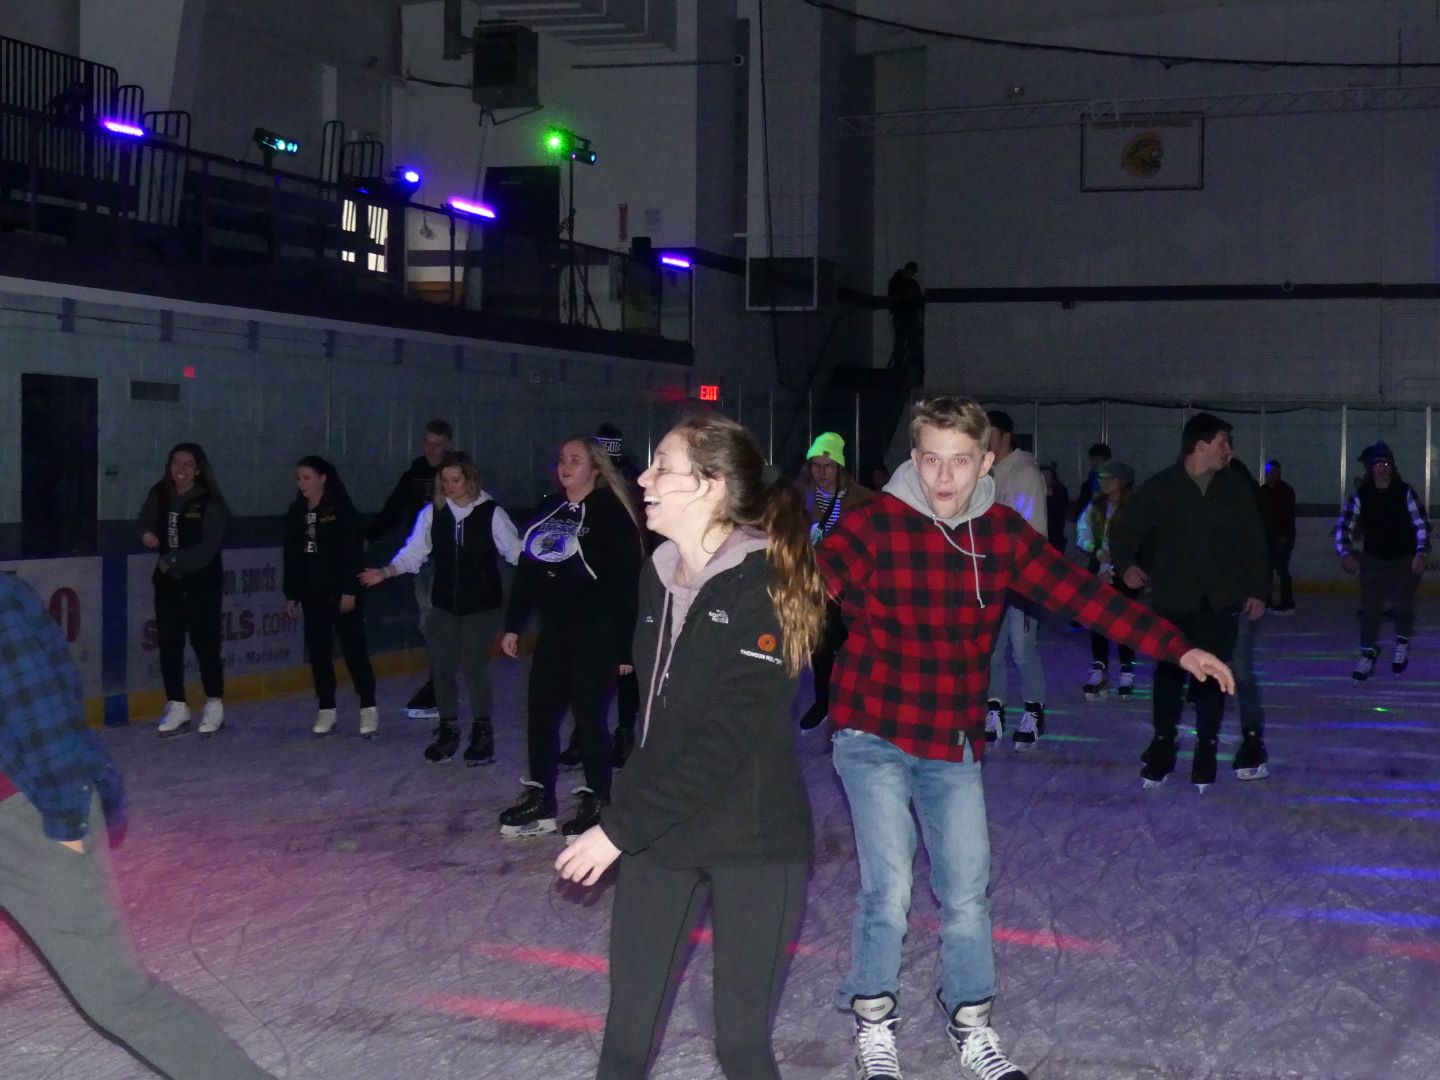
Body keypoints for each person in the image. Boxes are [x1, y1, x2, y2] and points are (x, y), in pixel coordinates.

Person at [816, 396, 1234, 1080]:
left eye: (959, 462)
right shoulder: (876, 525)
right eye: (929, 460)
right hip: (873, 728)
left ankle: (972, 1022)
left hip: (950, 736)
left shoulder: (1002, 535)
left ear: (986, 461)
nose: (943, 478)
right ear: (912, 458)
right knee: (888, 887)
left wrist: (1175, 648)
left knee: (967, 890)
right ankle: (873, 1020)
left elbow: (1082, 595)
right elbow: (805, 584)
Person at [555, 414, 827, 1080]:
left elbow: (722, 741)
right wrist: (634, 820)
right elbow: (654, 727)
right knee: (624, 1040)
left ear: (710, 486)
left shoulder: (766, 584)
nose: (643, 479)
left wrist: (618, 831)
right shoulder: (658, 572)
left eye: (662, 468)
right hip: (665, 833)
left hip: (754, 840)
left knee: (740, 1046)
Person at [0, 572, 276, 1080]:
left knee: (115, 995)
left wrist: (65, 819)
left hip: (25, 818)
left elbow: (45, 717)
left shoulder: (2, 604)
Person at [1109, 412, 1269, 791]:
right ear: (1200, 445)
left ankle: (1206, 749)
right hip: (1173, 599)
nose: (1229, 450)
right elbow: (1125, 528)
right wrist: (1127, 565)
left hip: (1220, 598)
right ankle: (1164, 743)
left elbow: (1254, 541)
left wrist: (1259, 590)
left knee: (1213, 675)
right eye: (1223, 443)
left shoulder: (1235, 487)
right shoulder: (1163, 487)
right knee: (1168, 675)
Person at [499, 437, 644, 839]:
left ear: (595, 469)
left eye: (575, 460)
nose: (565, 466)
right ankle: (541, 798)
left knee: (589, 719)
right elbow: (529, 570)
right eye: (562, 459)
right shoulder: (550, 508)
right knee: (541, 714)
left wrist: (625, 646)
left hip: (596, 634)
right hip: (554, 632)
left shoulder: (612, 514)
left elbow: (626, 585)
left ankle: (598, 799)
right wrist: (514, 623)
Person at [360, 452, 520, 764]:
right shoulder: (432, 514)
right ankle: (448, 729)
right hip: (444, 603)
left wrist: (544, 573)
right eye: (444, 481)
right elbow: (414, 552)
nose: (449, 486)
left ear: (470, 479)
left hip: (482, 605)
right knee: (442, 667)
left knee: (473, 666)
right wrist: (385, 571)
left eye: (456, 480)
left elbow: (515, 552)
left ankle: (482, 732)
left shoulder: (491, 514)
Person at [138, 442, 229, 737]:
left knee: (205, 644)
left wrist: (173, 559)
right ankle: (177, 704)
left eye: (188, 464)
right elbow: (144, 520)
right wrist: (147, 533)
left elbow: (207, 549)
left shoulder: (209, 502)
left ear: (198, 469)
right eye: (176, 463)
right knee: (169, 644)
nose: (181, 469)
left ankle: (214, 703)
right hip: (168, 584)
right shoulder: (160, 493)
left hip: (202, 584)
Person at [283, 456, 377, 738]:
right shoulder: (296, 513)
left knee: (353, 650)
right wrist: (292, 594)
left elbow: (352, 550)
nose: (302, 484)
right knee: (319, 652)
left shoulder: (340, 509)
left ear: (323, 478)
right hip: (313, 594)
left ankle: (368, 706)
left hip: (341, 592)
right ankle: (326, 707)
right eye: (299, 479)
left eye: (307, 478)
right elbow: (293, 556)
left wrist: (350, 588)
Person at [365, 419, 453, 719]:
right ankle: (437, 685)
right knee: (430, 624)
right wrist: (368, 534)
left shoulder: (457, 475)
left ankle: (441, 686)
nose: (431, 449)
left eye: (437, 444)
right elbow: (394, 508)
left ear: (448, 445)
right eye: (427, 442)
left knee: (446, 625)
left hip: (451, 562)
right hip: (423, 559)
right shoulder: (415, 474)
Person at [1335, 441, 1429, 682]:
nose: (1382, 468)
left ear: (1392, 467)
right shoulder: (1361, 496)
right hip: (1374, 560)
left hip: (1404, 559)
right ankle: (1368, 652)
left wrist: (1421, 553)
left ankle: (1402, 643)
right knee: (1369, 610)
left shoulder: (1404, 492)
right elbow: (1344, 526)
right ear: (1371, 468)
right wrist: (1344, 552)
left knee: (1403, 606)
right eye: (1377, 464)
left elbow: (1421, 524)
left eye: (1386, 464)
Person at [797, 432, 873, 732]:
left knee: (856, 646)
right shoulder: (800, 497)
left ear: (840, 467)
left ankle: (859, 703)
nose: (822, 473)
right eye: (816, 466)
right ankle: (823, 700)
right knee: (820, 648)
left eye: (828, 466)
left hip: (855, 587)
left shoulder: (862, 499)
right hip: (819, 586)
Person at [983, 410, 1049, 750]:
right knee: (991, 649)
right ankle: (994, 707)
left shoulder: (1024, 473)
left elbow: (1033, 532)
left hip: (1020, 579)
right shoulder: (985, 472)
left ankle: (1034, 708)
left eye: (988, 432)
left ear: (1005, 435)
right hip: (990, 578)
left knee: (1022, 648)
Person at [593, 422, 646, 769]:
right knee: (593, 662)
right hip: (596, 582)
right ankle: (586, 733)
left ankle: (626, 730)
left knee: (626, 664)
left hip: (629, 578)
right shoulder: (589, 480)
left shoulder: (633, 479)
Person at [1076, 460, 1139, 700]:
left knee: (1124, 621)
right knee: (1098, 620)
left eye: (1108, 478)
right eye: (1100, 478)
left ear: (1120, 481)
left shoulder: (1134, 507)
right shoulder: (1096, 506)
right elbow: (1082, 534)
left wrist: (1119, 566)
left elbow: (1141, 540)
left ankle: (1126, 669)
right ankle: (1099, 667)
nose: (1102, 483)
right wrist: (1095, 550)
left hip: (1125, 572)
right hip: (1099, 570)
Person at [1227, 456, 1271, 780]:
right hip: (1207, 603)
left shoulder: (1250, 518)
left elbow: (1260, 556)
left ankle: (1253, 741)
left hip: (1240, 602)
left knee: (1240, 668)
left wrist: (1258, 593)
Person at [1259, 459, 1297, 614]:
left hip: (1281, 538)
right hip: (1266, 537)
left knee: (1282, 570)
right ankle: (1266, 601)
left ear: (1278, 473)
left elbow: (1288, 515)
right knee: (1266, 570)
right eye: (1268, 473)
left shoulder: (1286, 491)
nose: (1270, 475)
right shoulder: (1262, 492)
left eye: (1273, 472)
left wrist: (1285, 535)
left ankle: (1287, 602)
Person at [886, 261, 925, 378]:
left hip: (909, 314)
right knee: (901, 340)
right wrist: (905, 296)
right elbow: (893, 297)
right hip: (900, 314)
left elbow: (918, 299)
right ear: (906, 269)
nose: (911, 275)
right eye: (910, 272)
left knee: (911, 340)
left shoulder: (911, 283)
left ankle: (911, 366)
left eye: (912, 273)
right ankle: (899, 367)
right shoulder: (896, 281)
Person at [1071, 441, 1112, 524]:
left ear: (1106, 461)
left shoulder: (1107, 478)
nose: (1094, 462)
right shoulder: (1092, 475)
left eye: (1098, 459)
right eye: (1093, 459)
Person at [1039, 462, 1070, 551]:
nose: (1044, 480)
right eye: (1042, 477)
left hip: (1054, 541)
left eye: (1047, 478)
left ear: (1053, 480)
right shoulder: (1034, 497)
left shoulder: (1059, 498)